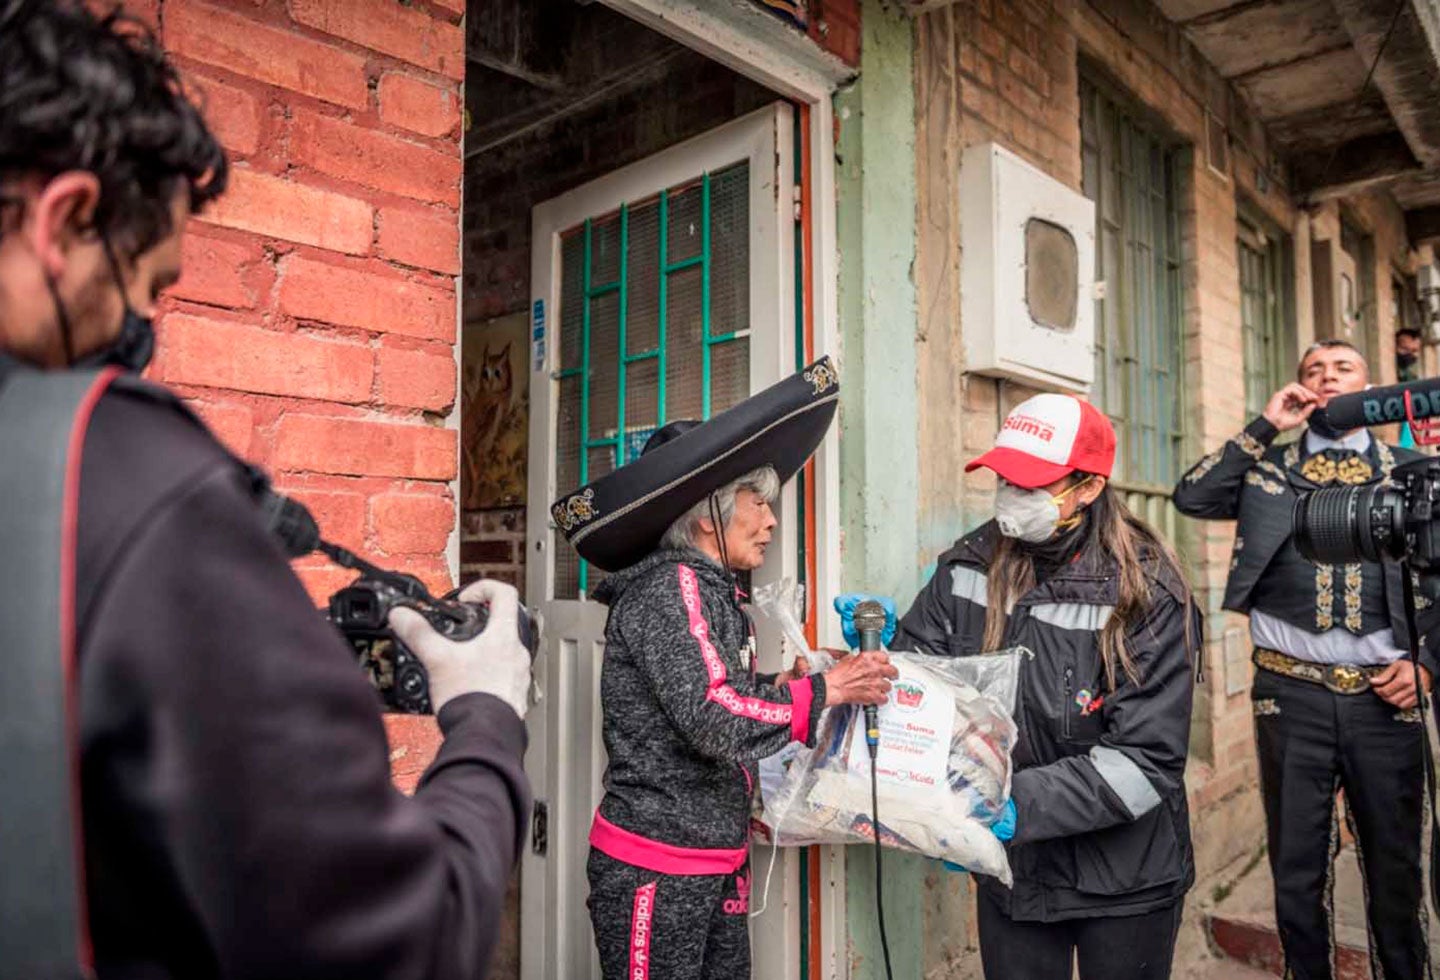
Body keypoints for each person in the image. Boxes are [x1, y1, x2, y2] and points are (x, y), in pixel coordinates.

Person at [0, 4, 533, 977]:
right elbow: (412, 937)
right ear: (66, 220)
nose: (142, 324)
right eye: (148, 286)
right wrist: (489, 711)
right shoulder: (127, 487)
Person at [550, 364, 898, 980]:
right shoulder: (673, 588)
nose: (769, 521)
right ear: (708, 512)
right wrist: (823, 691)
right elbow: (712, 716)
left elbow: (715, 697)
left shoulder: (710, 591)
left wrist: (792, 685)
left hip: (712, 858)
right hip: (658, 865)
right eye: (756, 503)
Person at [839, 393, 1200, 980]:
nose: (1012, 494)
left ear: (1087, 488)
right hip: (1015, 873)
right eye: (1006, 477)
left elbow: (1146, 760)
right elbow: (930, 689)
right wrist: (880, 654)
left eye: (1033, 483)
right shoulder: (969, 565)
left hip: (1124, 878)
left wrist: (1010, 806)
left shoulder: (1147, 590)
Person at [1173, 339, 1439, 980]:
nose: (1327, 378)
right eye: (1313, 370)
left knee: (1396, 872)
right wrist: (1266, 426)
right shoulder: (1268, 472)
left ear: (1368, 387)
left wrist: (1428, 665)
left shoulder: (1412, 468)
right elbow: (1192, 497)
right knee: (1296, 871)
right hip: (1289, 697)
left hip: (1388, 698)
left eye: (1343, 369)